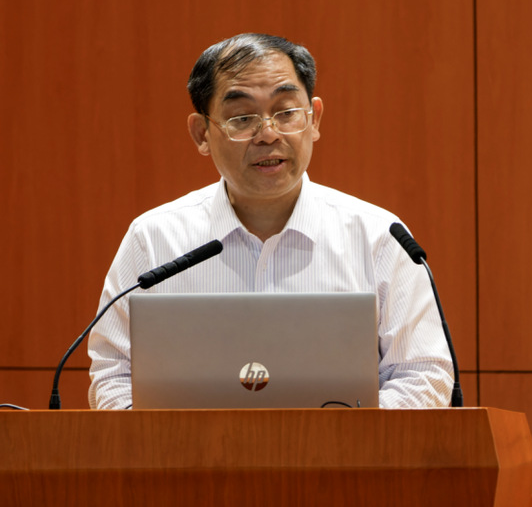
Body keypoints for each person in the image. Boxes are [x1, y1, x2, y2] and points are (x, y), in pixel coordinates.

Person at [87, 33, 453, 410]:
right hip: (190, 452)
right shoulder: (153, 239)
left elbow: (423, 375)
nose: (267, 134)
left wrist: (332, 440)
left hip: (342, 452)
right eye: (242, 118)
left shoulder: (379, 237)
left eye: (286, 112)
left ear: (314, 119)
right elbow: (114, 378)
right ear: (202, 133)